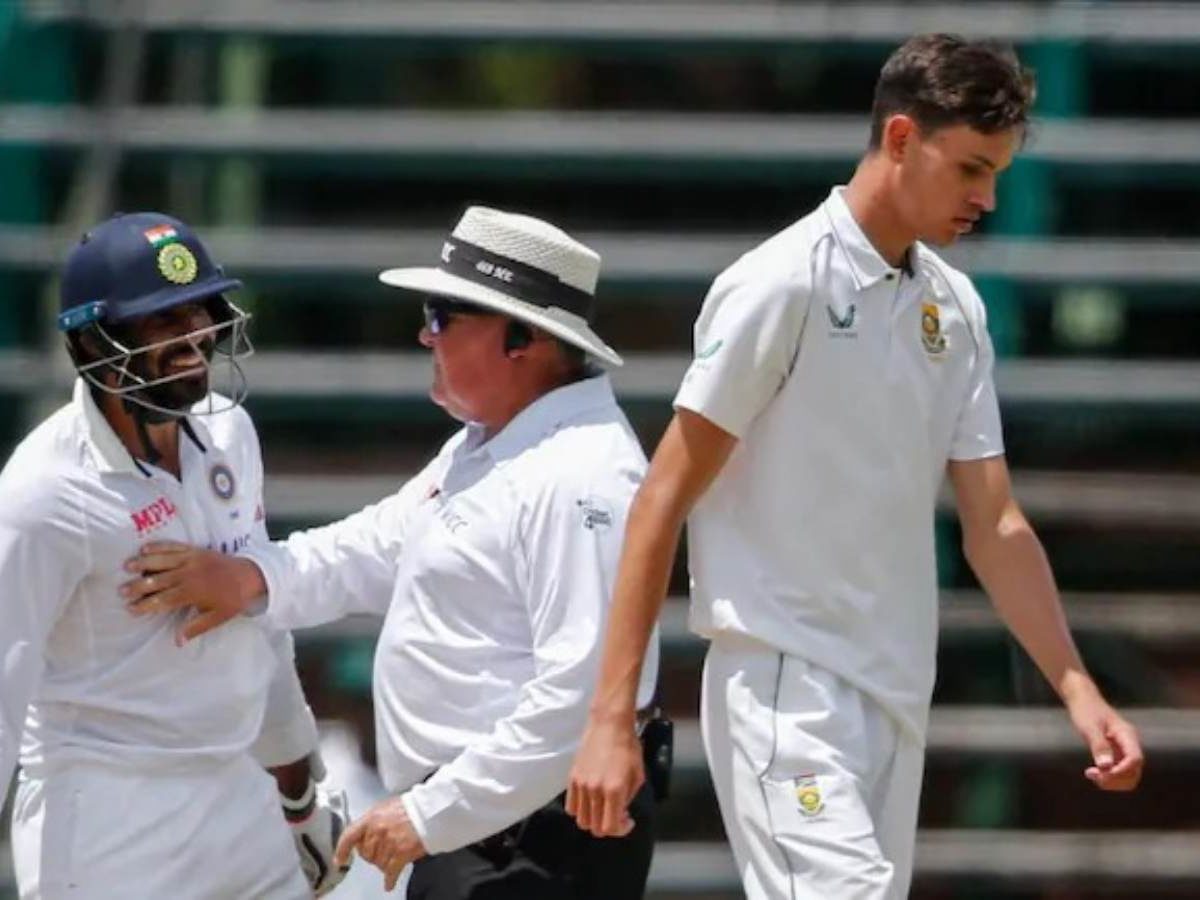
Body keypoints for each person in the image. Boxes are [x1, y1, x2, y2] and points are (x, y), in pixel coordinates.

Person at [565, 33, 1145, 899]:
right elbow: (662, 499)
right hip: (782, 686)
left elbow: (995, 524)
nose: (986, 198)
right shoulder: (779, 284)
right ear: (903, 138)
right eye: (971, 169)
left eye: (999, 175)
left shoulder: (957, 306)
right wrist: (610, 718)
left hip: (896, 694)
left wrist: (1079, 691)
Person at [119, 207, 661, 898]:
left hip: (530, 841)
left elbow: (579, 701)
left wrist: (429, 816)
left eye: (441, 315)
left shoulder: (584, 474)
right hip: (487, 833)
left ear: (520, 338)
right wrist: (251, 575)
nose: (422, 334)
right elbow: (374, 546)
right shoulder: (494, 443)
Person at [0, 212, 348, 899]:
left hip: (239, 792)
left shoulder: (230, 432)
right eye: (162, 323)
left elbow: (258, 627)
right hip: (108, 819)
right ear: (93, 340)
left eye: (199, 312)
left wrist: (299, 794)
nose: (194, 340)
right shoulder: (42, 492)